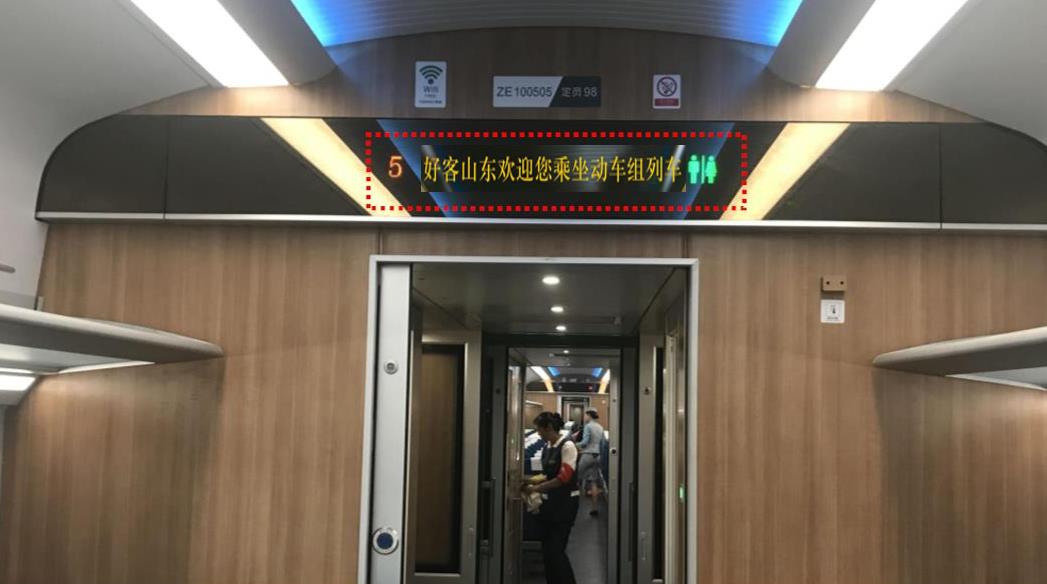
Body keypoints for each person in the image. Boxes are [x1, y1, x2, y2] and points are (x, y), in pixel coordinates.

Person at [524, 411, 580, 584]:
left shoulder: (567, 446)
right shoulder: (548, 446)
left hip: (565, 505)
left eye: (539, 429)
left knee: (556, 550)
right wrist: (529, 480)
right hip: (550, 504)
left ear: (548, 428)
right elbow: (547, 474)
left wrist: (537, 488)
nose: (538, 433)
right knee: (547, 550)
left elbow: (564, 477)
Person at [575, 408, 606, 516]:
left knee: (576, 478)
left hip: (588, 454)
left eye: (585, 415)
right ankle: (594, 508)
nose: (584, 417)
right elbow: (602, 443)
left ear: (589, 415)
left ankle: (573, 505)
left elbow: (584, 442)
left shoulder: (588, 426)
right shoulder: (600, 427)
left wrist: (573, 443)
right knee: (593, 481)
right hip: (598, 456)